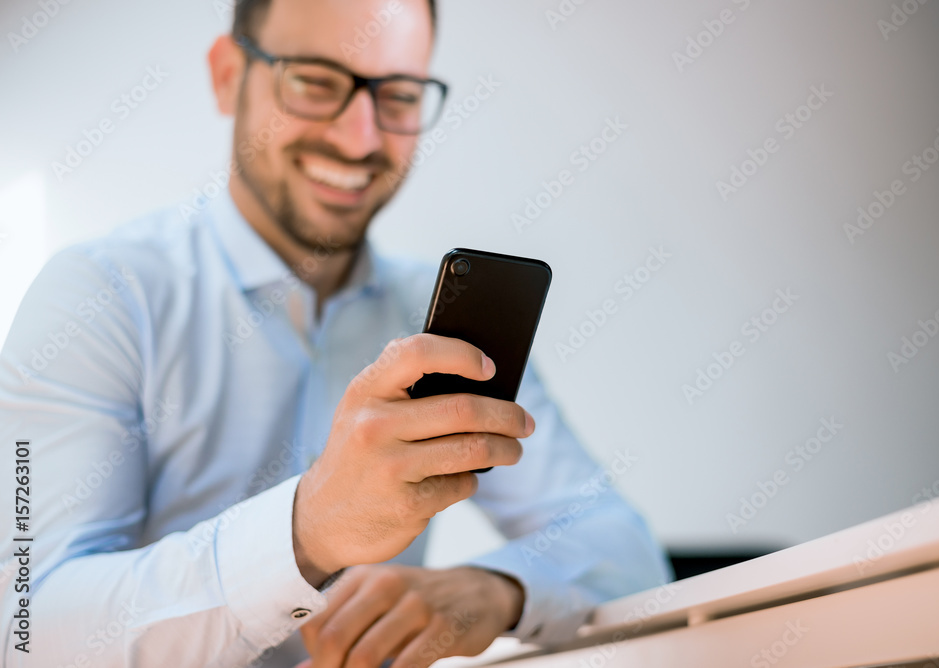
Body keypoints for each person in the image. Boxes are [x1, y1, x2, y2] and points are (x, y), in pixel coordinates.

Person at [0, 1, 669, 666]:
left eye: (399, 95)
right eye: (316, 82)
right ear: (229, 73)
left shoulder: (436, 325)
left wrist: (491, 591)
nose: (360, 140)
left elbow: (625, 551)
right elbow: (27, 632)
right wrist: (308, 529)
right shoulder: (100, 298)